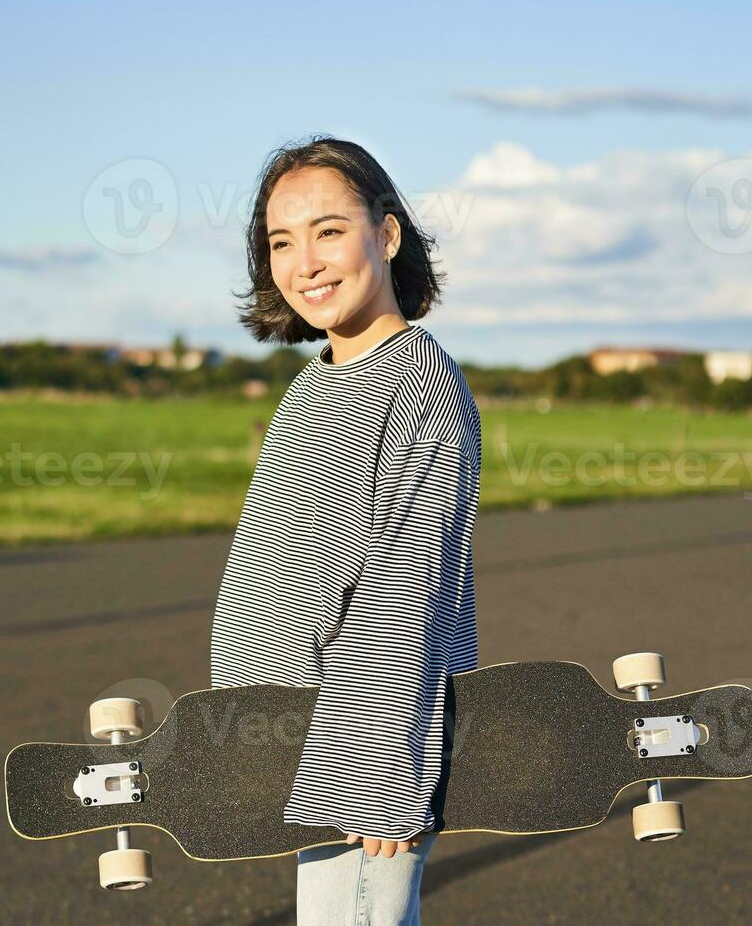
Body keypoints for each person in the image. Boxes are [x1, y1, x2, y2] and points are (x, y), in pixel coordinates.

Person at [207, 136, 480, 925]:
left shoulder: (418, 382)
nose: (305, 263)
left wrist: (374, 766)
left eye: (328, 230)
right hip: (291, 740)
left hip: (357, 747)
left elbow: (407, 588)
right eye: (281, 242)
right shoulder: (312, 387)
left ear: (387, 236)